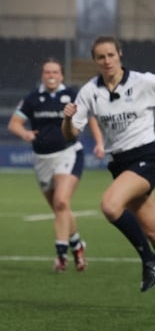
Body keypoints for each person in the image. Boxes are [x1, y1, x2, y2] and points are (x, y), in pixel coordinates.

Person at [61, 36, 155, 311]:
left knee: (110, 205)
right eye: (101, 57)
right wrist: (68, 118)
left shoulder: (142, 82)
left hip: (146, 157)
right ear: (95, 61)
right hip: (119, 164)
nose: (107, 61)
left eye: (111, 55)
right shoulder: (89, 92)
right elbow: (71, 134)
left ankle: (149, 260)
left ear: (120, 55)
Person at [8, 58, 103, 272]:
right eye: (47, 72)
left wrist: (98, 142)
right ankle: (77, 245)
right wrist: (24, 133)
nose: (51, 75)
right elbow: (14, 123)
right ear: (42, 75)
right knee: (60, 208)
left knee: (61, 202)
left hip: (68, 153)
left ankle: (61, 256)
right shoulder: (32, 99)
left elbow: (91, 118)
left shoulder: (71, 94)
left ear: (61, 75)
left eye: (55, 72)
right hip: (41, 159)